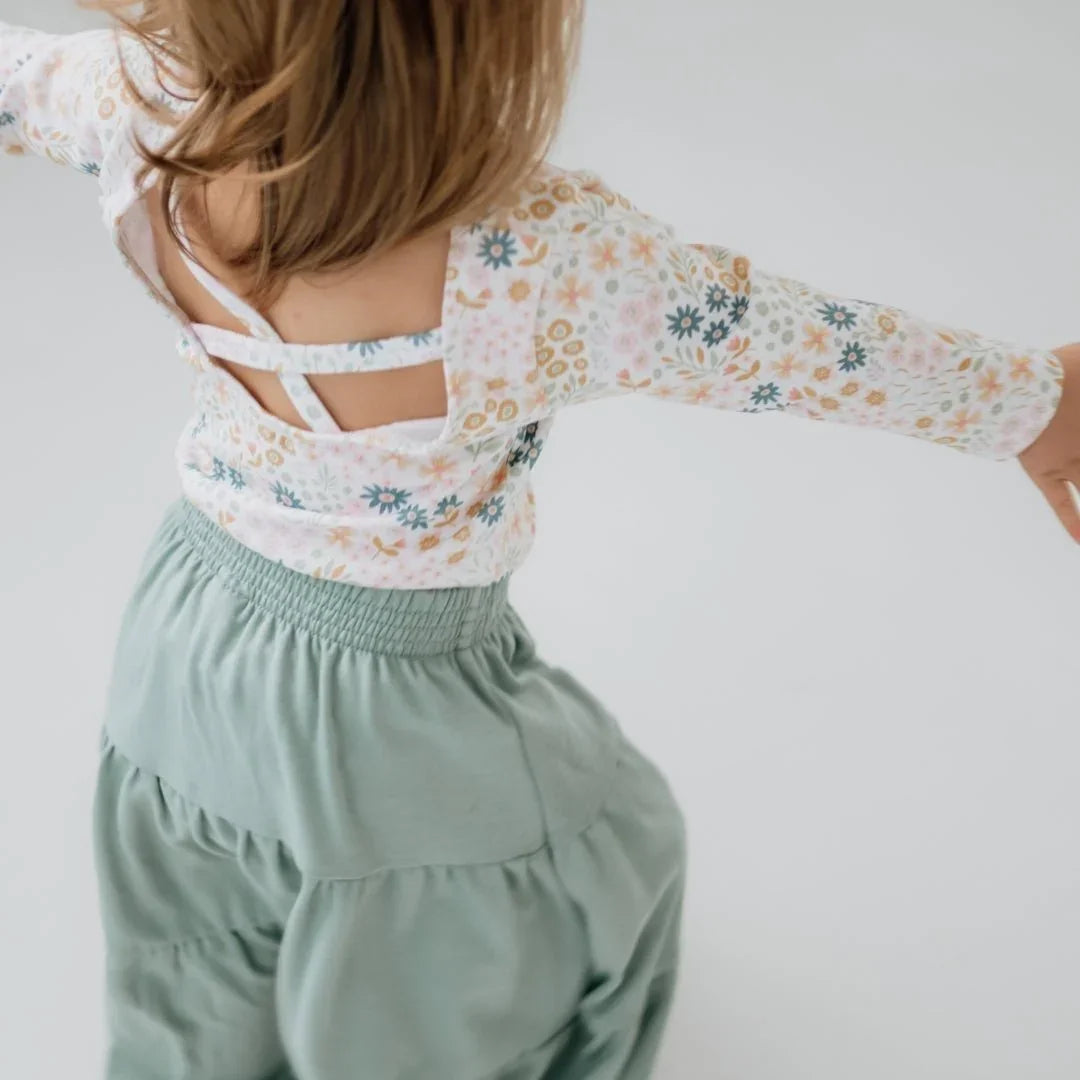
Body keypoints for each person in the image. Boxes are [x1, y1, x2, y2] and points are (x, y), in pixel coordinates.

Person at [2, 3, 1077, 1078]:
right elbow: (814, 349)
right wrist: (1039, 403)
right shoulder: (541, 262)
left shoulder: (141, 109)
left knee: (202, 930)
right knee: (553, 878)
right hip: (397, 718)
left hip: (184, 638)